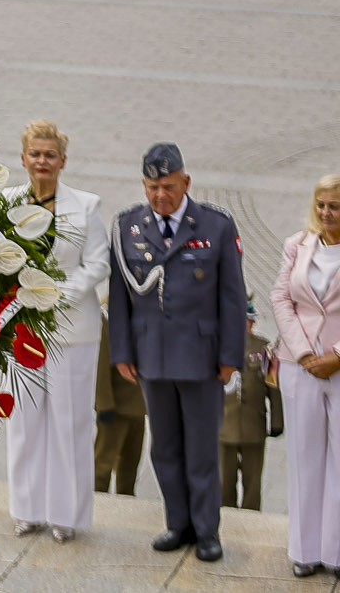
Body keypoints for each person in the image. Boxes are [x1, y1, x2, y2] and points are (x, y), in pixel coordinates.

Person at [109, 142, 246, 564]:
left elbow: (232, 297)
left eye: (168, 186)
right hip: (151, 356)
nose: (160, 196)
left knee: (202, 449)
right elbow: (119, 296)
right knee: (164, 447)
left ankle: (207, 531)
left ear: (186, 182)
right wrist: (122, 351)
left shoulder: (216, 226)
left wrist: (230, 356)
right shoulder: (128, 226)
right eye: (152, 187)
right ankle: (178, 523)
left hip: (202, 357)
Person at [5, 121, 110, 543]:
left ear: (63, 161)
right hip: (23, 328)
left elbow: (98, 264)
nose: (43, 161)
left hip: (73, 328)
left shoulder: (85, 206)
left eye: (50, 155)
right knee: (24, 420)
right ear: (24, 158)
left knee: (70, 421)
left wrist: (55, 294)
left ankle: (67, 515)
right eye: (36, 154)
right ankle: (27, 509)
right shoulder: (6, 201)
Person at [270, 172, 340, 576]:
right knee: (304, 459)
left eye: (334, 206)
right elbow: (281, 298)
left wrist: (335, 355)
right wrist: (303, 351)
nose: (326, 212)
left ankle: (336, 551)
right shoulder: (296, 245)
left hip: (339, 366)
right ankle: (305, 550)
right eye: (321, 205)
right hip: (301, 366)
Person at [220, 298, 282, 510]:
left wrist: (277, 421)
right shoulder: (217, 347)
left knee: (252, 484)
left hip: (253, 425)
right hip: (222, 426)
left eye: (247, 320)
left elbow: (273, 387)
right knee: (223, 484)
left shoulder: (265, 350)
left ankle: (251, 522)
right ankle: (226, 522)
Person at [95, 318, 148, 494]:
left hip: (138, 407)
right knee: (102, 466)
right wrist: (104, 404)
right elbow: (101, 367)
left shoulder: (141, 313)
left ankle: (126, 508)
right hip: (115, 409)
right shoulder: (108, 319)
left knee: (130, 467)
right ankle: (97, 506)